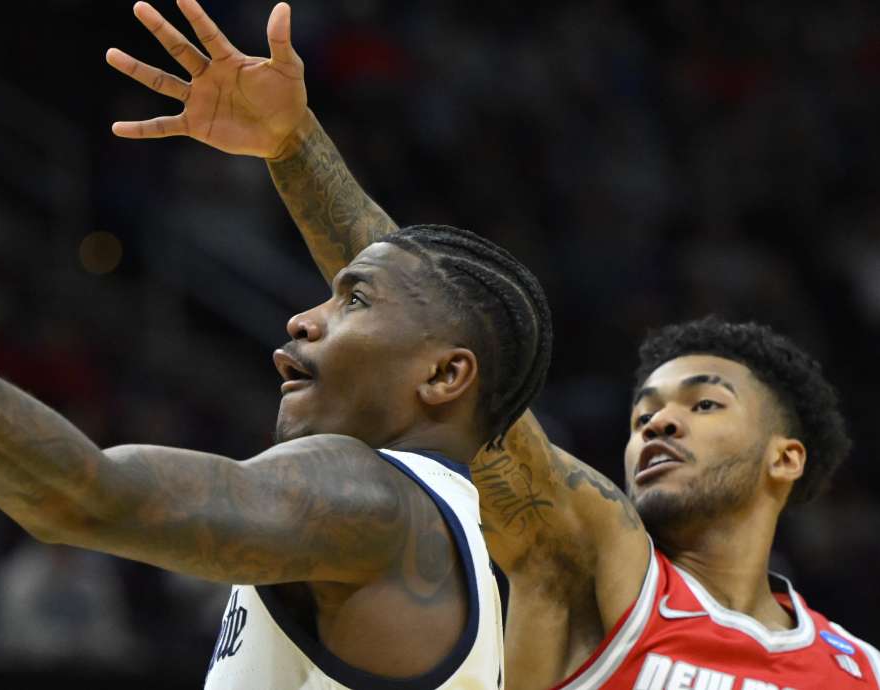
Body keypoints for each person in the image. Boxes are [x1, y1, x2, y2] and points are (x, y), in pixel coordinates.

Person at [0, 34, 552, 690]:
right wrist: (290, 144)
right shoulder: (456, 534)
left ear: (445, 377)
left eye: (354, 303)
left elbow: (80, 496)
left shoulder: (369, 496)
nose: (303, 316)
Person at [105, 1, 880, 688]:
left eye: (703, 403)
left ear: (786, 456)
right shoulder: (588, 560)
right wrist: (294, 147)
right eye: (643, 412)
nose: (657, 425)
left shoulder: (861, 670)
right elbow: (421, 306)